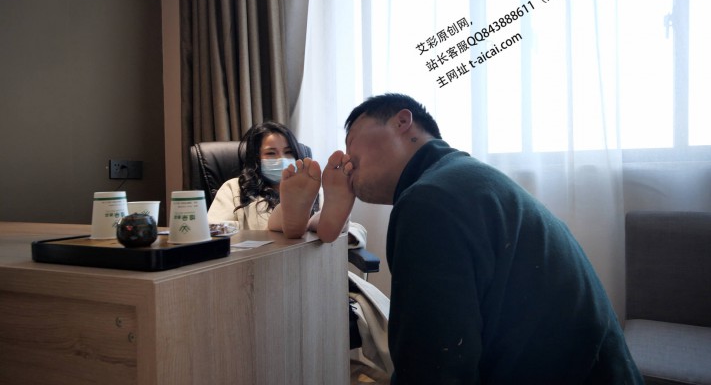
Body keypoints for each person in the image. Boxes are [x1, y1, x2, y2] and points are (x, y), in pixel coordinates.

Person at [337, 93, 643, 384]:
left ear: (402, 122)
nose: (346, 159)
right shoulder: (459, 181)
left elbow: (432, 369)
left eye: (351, 142)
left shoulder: (431, 200)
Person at [207, 121, 365, 248]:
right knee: (280, 219)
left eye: (288, 152)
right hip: (262, 260)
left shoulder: (316, 190)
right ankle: (295, 218)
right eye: (271, 153)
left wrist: (347, 235)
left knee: (329, 220)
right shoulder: (235, 188)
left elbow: (354, 228)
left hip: (313, 262)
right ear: (255, 159)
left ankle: (313, 223)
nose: (282, 159)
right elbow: (211, 228)